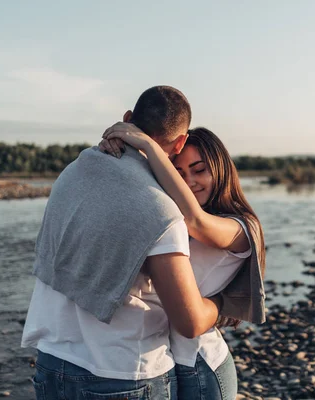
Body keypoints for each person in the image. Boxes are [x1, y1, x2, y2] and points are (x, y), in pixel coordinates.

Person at [21, 86, 224, 400]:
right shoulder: (161, 209)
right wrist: (222, 304)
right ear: (180, 142)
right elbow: (188, 321)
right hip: (122, 373)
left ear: (128, 119)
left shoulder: (71, 174)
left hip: (50, 362)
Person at [99, 124, 266, 400]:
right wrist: (116, 152)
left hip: (201, 364)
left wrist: (149, 147)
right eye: (178, 173)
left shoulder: (243, 228)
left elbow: (196, 221)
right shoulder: (174, 223)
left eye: (199, 170)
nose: (189, 182)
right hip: (168, 360)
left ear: (221, 170)